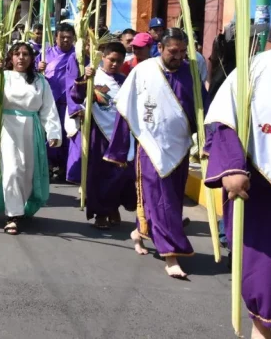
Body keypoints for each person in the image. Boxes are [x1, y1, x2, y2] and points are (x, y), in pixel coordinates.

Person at [105, 28, 204, 279]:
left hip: (180, 147)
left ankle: (140, 231)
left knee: (171, 199)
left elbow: (202, 109)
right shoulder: (143, 71)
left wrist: (206, 142)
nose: (178, 56)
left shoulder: (190, 72)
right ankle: (171, 255)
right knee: (161, 200)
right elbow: (125, 107)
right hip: (150, 145)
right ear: (160, 48)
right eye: (173, 51)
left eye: (182, 52)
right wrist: (119, 148)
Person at [205, 22, 271, 339]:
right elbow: (224, 120)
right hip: (262, 187)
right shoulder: (254, 70)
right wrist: (232, 168)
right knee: (266, 273)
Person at [0, 42, 61, 235]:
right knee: (12, 171)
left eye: (25, 54)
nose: (21, 58)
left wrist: (53, 132)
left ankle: (21, 206)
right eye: (17, 54)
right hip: (7, 128)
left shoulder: (40, 81)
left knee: (26, 172)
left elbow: (48, 108)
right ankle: (13, 215)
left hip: (31, 129)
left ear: (32, 58)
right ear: (11, 57)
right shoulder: (4, 76)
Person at [70, 42, 136, 229]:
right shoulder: (93, 77)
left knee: (121, 174)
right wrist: (84, 79)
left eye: (119, 61)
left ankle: (113, 207)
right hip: (98, 134)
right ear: (103, 58)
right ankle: (100, 213)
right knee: (99, 175)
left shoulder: (125, 81)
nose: (114, 64)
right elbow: (76, 96)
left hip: (121, 134)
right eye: (111, 60)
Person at [36, 23, 82, 182]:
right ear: (56, 38)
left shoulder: (78, 56)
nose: (65, 40)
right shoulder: (45, 54)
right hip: (49, 102)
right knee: (48, 134)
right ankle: (47, 166)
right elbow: (31, 71)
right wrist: (38, 67)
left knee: (67, 136)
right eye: (62, 37)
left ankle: (63, 168)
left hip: (68, 104)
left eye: (69, 38)